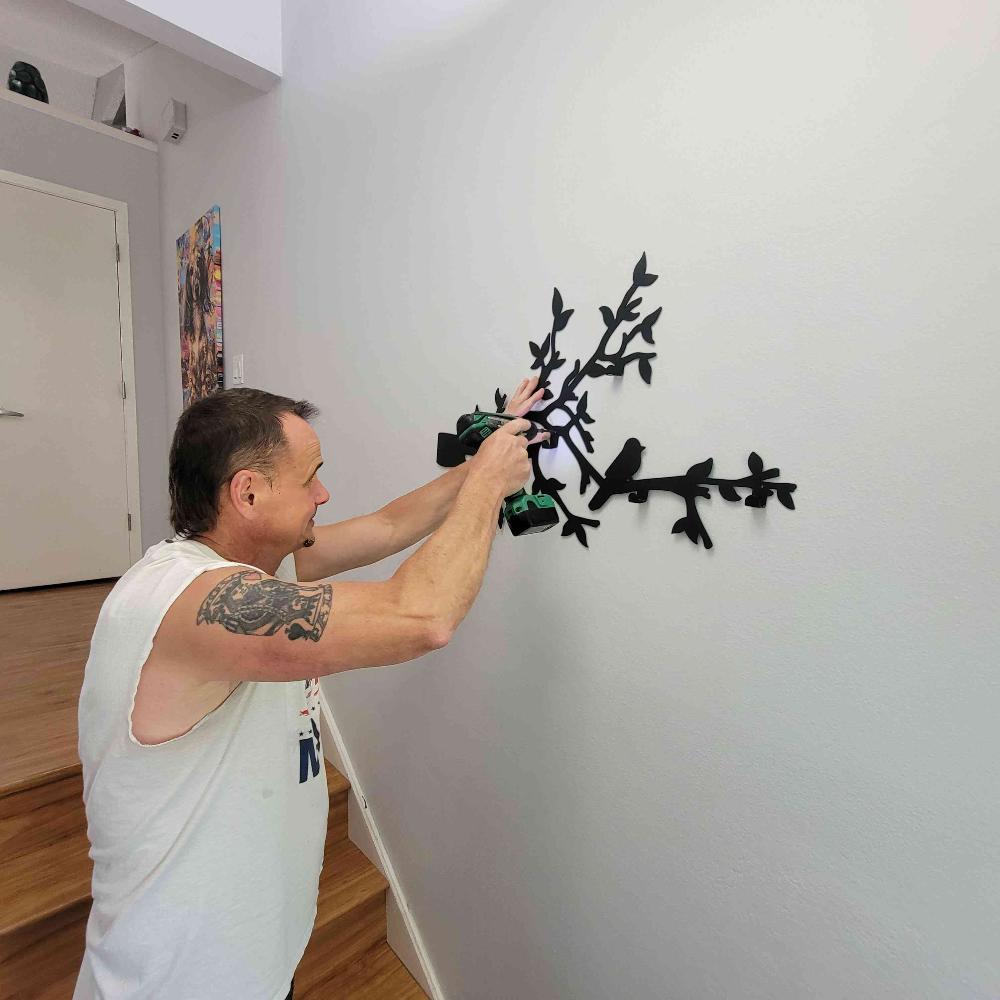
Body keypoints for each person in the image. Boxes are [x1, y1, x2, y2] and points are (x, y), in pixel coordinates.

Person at [74, 377, 549, 1000]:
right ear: (248, 492)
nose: (323, 494)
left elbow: (388, 525)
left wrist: (487, 457)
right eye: (310, 478)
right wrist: (487, 485)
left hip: (253, 967)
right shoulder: (185, 601)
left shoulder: (250, 569)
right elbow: (422, 616)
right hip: (174, 983)